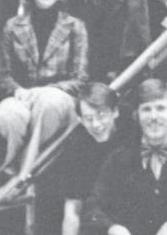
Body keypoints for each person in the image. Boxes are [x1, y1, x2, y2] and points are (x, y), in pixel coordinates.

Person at [0, 0, 88, 201]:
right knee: (7, 114)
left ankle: (18, 177)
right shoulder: (13, 26)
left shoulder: (75, 27)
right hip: (24, 97)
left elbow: (80, 79)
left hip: (60, 100)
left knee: (47, 102)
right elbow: (3, 74)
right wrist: (17, 90)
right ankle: (18, 169)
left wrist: (46, 90)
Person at [82, 78, 167, 235]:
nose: (154, 116)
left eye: (161, 108)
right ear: (137, 115)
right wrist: (113, 228)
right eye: (146, 109)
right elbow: (92, 208)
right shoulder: (118, 159)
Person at [36, 82, 125, 235]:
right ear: (80, 120)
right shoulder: (78, 149)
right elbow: (72, 210)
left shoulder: (131, 133)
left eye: (101, 115)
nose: (96, 124)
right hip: (98, 220)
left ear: (115, 111)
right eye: (88, 118)